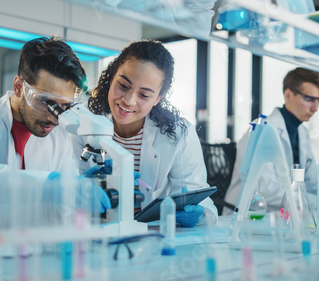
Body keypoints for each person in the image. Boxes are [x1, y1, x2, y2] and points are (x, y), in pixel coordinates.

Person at [0, 37, 110, 232]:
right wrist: (48, 185)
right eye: (46, 102)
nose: (55, 117)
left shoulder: (60, 137)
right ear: (18, 86)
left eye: (65, 106)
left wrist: (84, 190)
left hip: (26, 254)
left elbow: (62, 214)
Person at [75, 40, 218, 227]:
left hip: (154, 236)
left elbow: (198, 196)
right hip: (95, 232)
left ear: (158, 98)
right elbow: (64, 189)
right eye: (123, 86)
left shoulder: (178, 134)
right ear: (112, 78)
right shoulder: (81, 122)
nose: (128, 100)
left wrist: (199, 214)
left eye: (144, 95)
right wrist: (77, 190)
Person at [223, 67, 319, 215]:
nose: (315, 108)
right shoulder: (261, 129)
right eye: (309, 99)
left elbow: (311, 182)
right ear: (288, 95)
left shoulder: (302, 132)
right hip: (247, 218)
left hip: (283, 217)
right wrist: (313, 201)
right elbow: (266, 190)